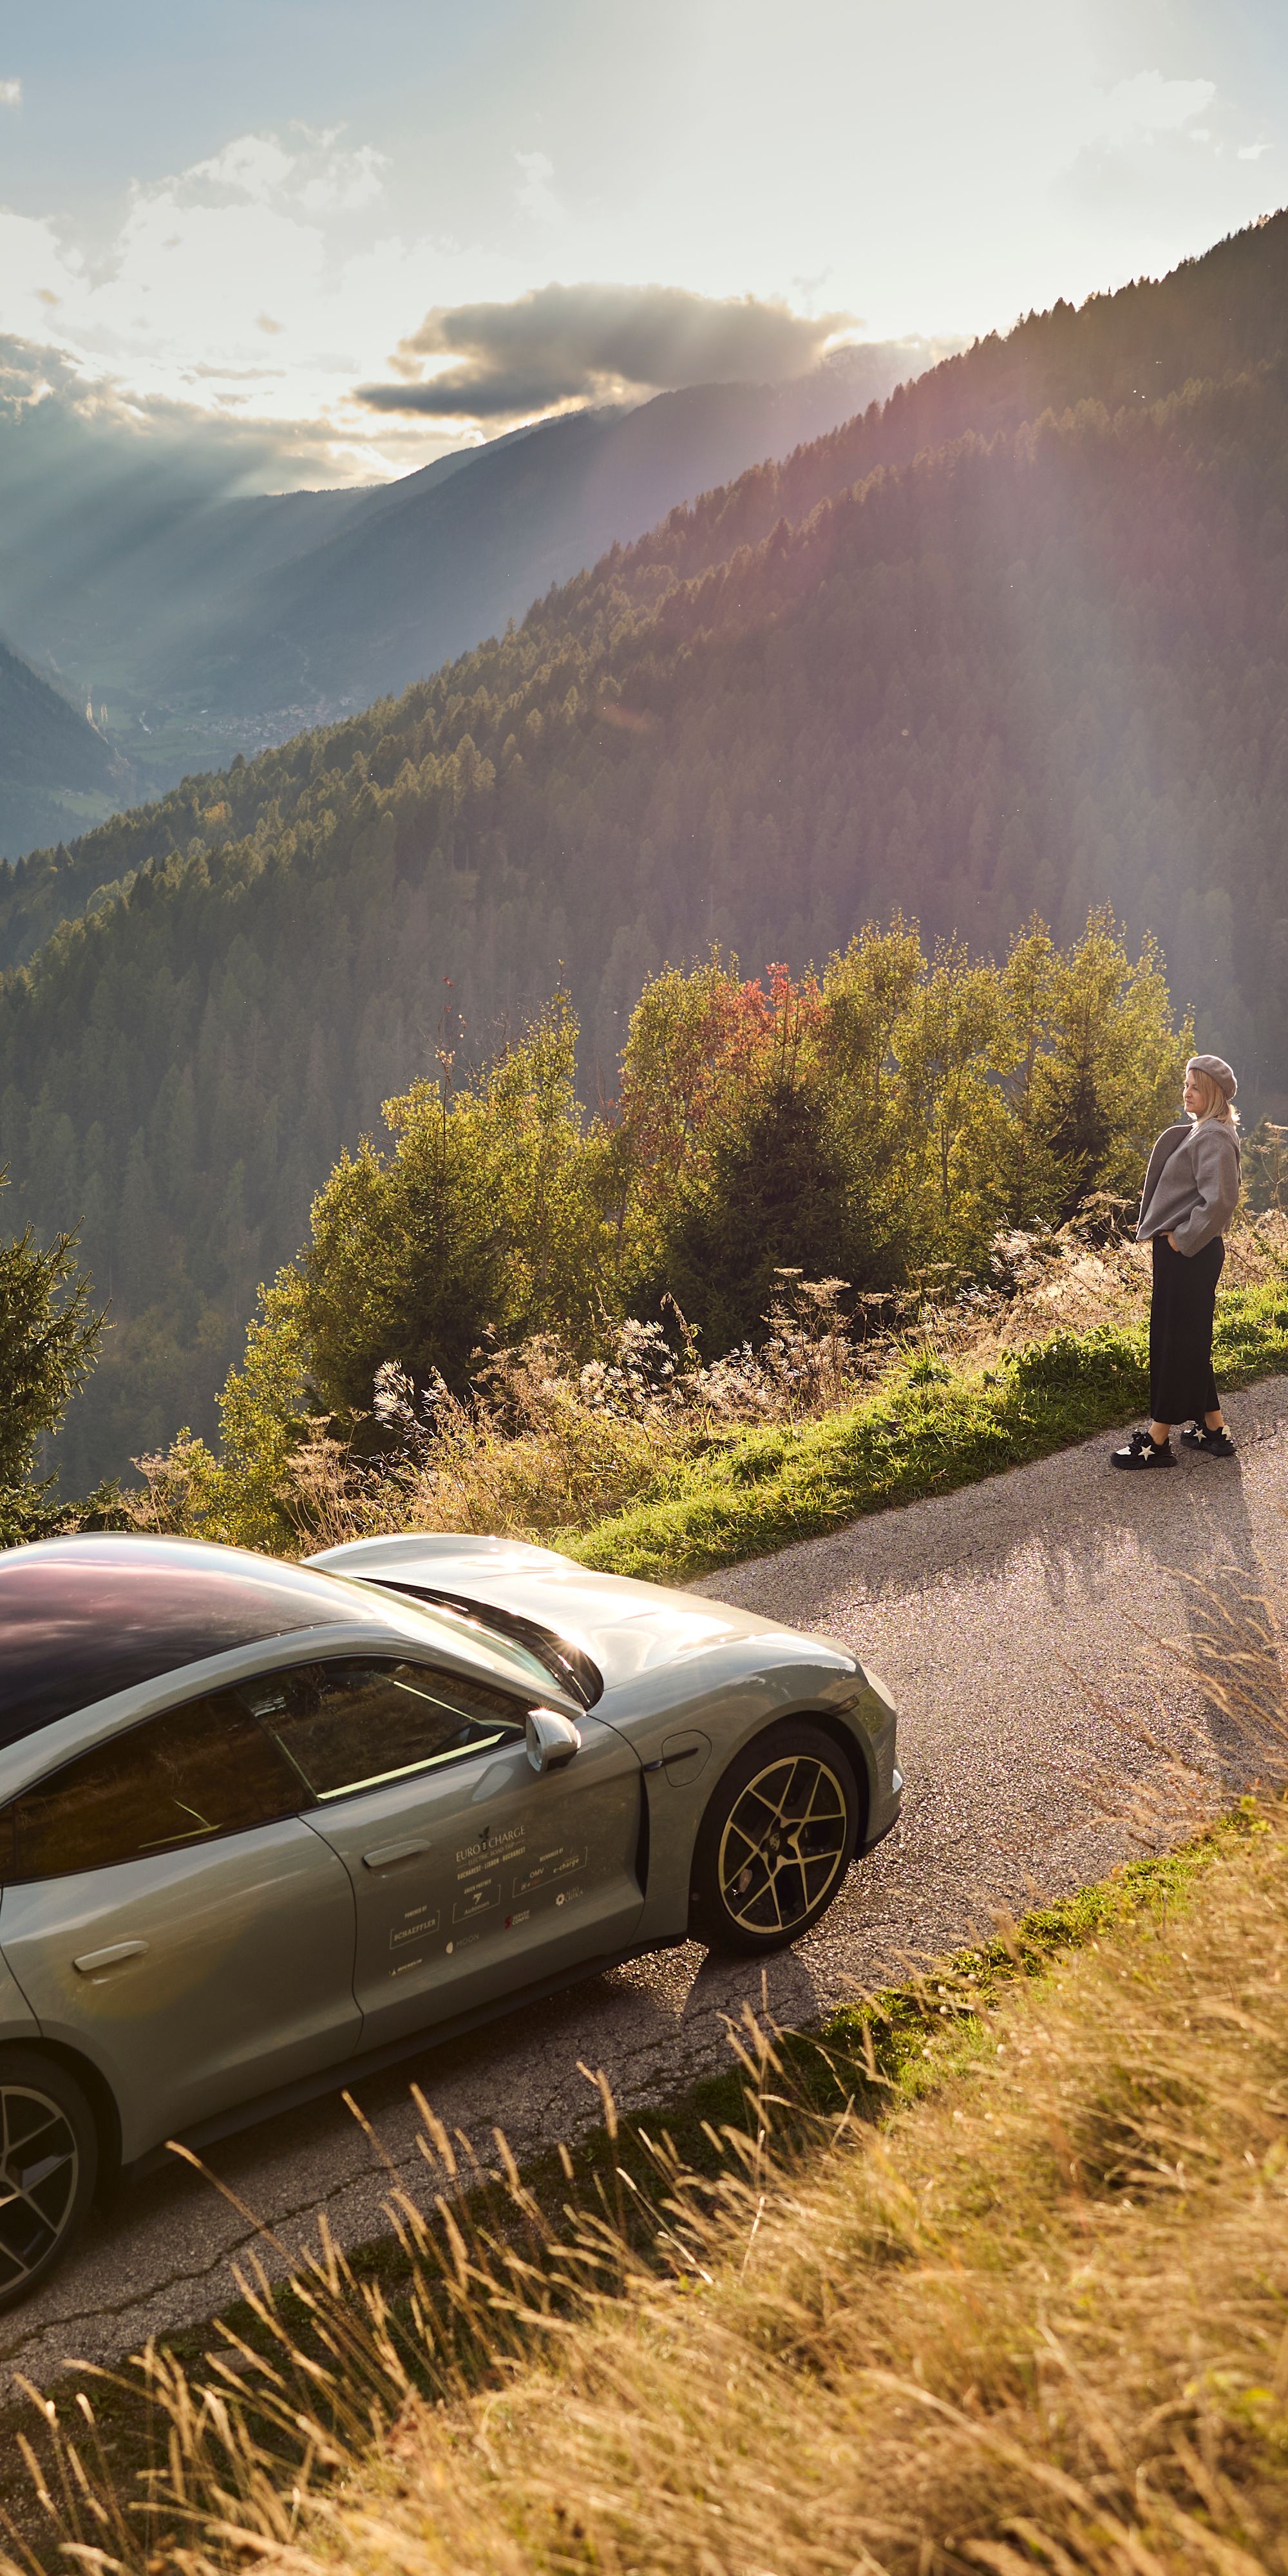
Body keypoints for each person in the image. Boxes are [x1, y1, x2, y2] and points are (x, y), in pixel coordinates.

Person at [1111, 1052, 1242, 1470]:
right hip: (1184, 1253)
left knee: (1176, 1342)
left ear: (1214, 1094)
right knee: (1188, 1338)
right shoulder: (1201, 1130)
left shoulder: (1215, 1137)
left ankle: (1157, 1441)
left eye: (1196, 1087)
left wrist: (1182, 1241)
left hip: (1191, 1253)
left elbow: (1220, 1202)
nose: (1187, 1091)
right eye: (1185, 1084)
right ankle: (1213, 1430)